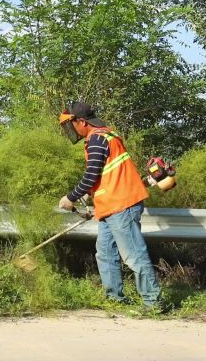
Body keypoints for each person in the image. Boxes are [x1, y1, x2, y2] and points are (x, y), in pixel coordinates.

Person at [57, 101, 161, 308]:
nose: (71, 130)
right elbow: (104, 175)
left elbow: (91, 174)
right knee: (105, 253)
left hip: (121, 205)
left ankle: (153, 303)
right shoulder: (106, 136)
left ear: (82, 121)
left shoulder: (96, 139)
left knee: (133, 254)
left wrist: (71, 197)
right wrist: (89, 195)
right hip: (110, 206)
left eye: (71, 124)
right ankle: (114, 299)